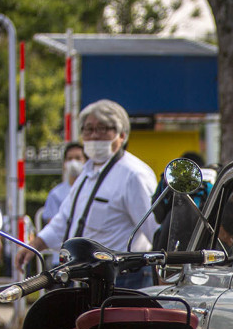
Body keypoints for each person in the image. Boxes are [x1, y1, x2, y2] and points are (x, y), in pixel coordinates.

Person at [18, 100, 158, 289]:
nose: (94, 136)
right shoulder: (87, 172)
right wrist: (35, 245)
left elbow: (154, 229)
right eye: (88, 129)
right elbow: (64, 220)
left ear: (122, 135)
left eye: (102, 129)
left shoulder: (133, 175)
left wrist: (168, 272)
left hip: (125, 279)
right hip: (89, 277)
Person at [39, 142, 85, 227]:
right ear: (64, 163)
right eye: (69, 159)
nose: (73, 162)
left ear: (86, 161)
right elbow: (53, 227)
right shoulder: (56, 194)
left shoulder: (95, 189)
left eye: (78, 158)